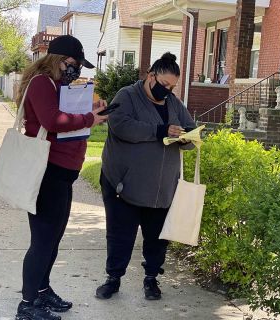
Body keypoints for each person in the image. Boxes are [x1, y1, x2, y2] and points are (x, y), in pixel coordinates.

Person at [14, 35, 108, 320]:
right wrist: (90, 118)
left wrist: (93, 109)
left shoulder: (61, 85)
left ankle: (42, 292)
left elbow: (70, 118)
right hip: (48, 173)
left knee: (53, 240)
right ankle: (27, 305)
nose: (77, 69)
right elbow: (53, 121)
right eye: (74, 63)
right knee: (42, 241)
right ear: (58, 60)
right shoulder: (42, 82)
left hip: (63, 175)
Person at [95, 52, 195, 301]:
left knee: (157, 238)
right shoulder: (127, 95)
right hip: (124, 184)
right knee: (120, 235)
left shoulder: (173, 102)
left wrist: (186, 137)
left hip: (161, 188)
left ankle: (151, 279)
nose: (167, 91)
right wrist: (160, 131)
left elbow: (191, 131)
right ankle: (113, 278)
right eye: (163, 85)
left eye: (172, 87)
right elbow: (120, 125)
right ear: (150, 76)